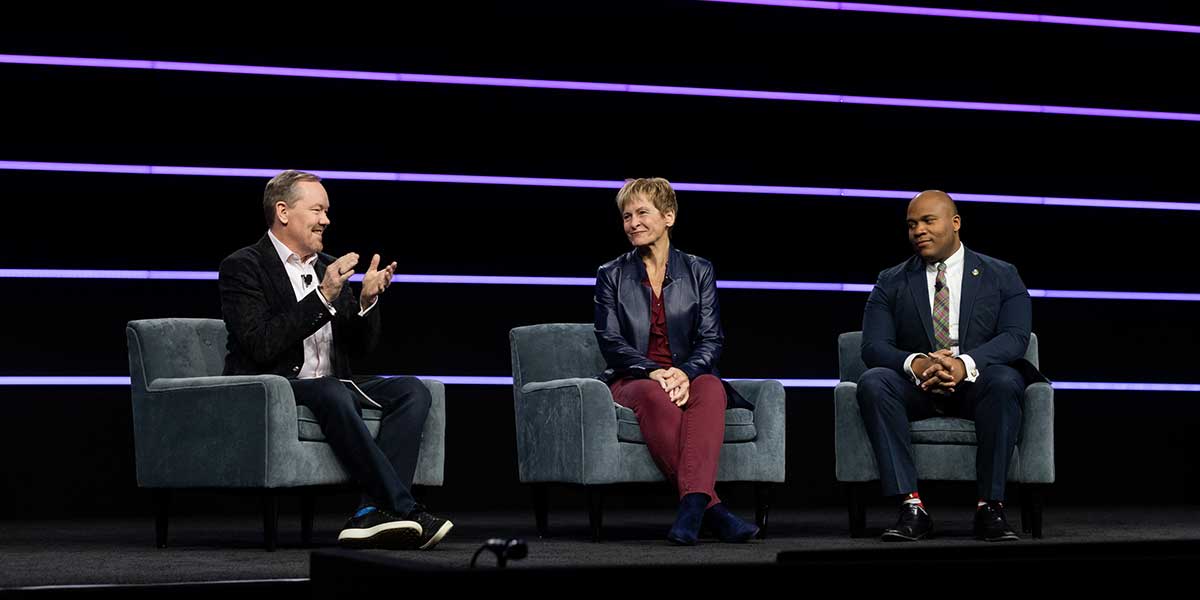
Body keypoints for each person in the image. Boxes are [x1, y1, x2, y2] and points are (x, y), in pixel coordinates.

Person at [219, 170, 452, 550]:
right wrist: (324, 295)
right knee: (331, 392)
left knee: (413, 390)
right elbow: (261, 344)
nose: (326, 219)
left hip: (334, 383)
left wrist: (364, 302)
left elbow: (360, 350)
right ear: (283, 211)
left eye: (327, 211)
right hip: (276, 386)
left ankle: (368, 514)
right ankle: (404, 508)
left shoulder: (327, 264)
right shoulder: (244, 266)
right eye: (317, 210)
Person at [858, 190, 1043, 542]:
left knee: (1005, 380)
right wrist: (920, 363)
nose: (918, 231)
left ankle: (991, 507)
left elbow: (1016, 336)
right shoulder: (891, 280)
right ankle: (911, 507)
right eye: (912, 224)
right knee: (874, 381)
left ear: (955, 223)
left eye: (928, 221)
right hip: (918, 388)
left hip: (978, 384)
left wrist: (963, 364)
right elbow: (873, 346)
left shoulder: (1001, 275)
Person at [593, 177, 759, 545]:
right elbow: (610, 341)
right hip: (634, 376)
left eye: (641, 213)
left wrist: (684, 372)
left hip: (689, 372)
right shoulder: (611, 274)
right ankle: (710, 509)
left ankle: (694, 511)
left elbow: (712, 338)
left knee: (712, 389)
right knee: (655, 398)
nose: (632, 223)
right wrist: (654, 371)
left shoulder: (699, 270)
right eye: (626, 216)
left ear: (668, 216)